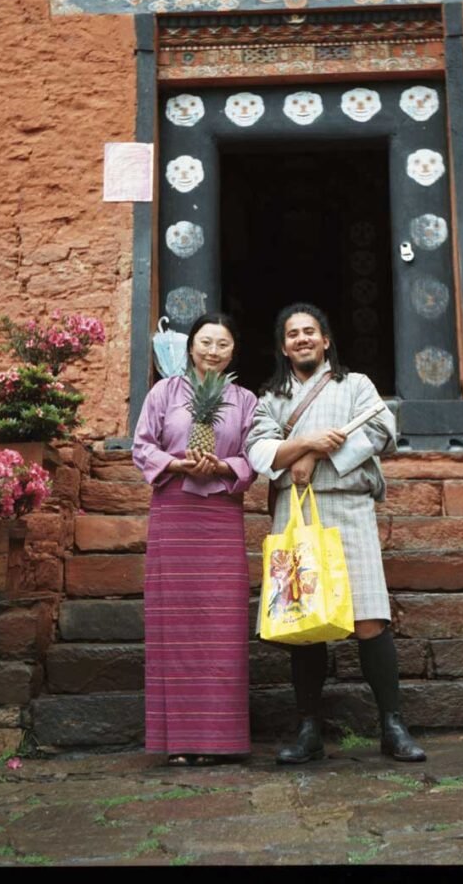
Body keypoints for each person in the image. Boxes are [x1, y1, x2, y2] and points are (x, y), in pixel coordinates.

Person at [247, 302, 425, 764]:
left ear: (326, 341)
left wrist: (318, 457)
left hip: (348, 506)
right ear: (283, 347)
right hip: (296, 512)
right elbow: (258, 451)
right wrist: (305, 443)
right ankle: (309, 731)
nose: (302, 339)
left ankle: (392, 725)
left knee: (369, 617)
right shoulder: (270, 399)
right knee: (305, 623)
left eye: (310, 331)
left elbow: (383, 428)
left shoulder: (357, 385)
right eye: (293, 334)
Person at [132, 313, 258, 767]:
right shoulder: (164, 392)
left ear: (232, 352)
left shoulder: (245, 400)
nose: (213, 351)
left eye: (223, 344)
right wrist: (176, 464)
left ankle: (220, 739)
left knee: (222, 626)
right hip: (174, 513)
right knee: (176, 626)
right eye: (206, 342)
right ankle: (179, 740)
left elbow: (253, 454)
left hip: (221, 516)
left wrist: (225, 467)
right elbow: (141, 445)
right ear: (190, 348)